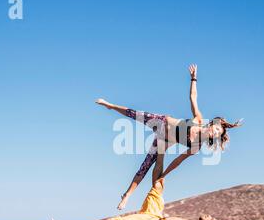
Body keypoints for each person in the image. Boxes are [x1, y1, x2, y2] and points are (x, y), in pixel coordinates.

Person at [95, 64, 242, 210]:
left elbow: (178, 161)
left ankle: (129, 196)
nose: (216, 133)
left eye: (218, 134)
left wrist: (164, 175)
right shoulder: (198, 119)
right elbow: (193, 97)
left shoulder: (196, 147)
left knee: (148, 166)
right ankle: (111, 106)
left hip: (163, 141)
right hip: (161, 122)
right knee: (134, 114)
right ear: (212, 124)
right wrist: (194, 79)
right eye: (216, 129)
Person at [51, 166, 226, 220]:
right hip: (154, 215)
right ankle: (161, 151)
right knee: (159, 185)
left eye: (211, 218)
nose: (209, 215)